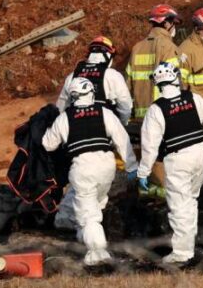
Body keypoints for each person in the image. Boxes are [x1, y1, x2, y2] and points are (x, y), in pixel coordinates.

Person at [136, 61, 203, 265]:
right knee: (191, 199)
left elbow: (150, 146)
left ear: (157, 84)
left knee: (180, 205)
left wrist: (143, 172)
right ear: (176, 79)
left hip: (178, 158)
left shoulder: (156, 109)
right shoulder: (193, 98)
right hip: (201, 153)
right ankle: (190, 241)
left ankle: (182, 252)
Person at [42, 78, 137, 266]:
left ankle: (98, 253)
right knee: (94, 203)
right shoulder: (104, 112)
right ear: (91, 93)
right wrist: (132, 167)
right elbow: (121, 139)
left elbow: (48, 144)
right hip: (106, 168)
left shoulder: (65, 118)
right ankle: (81, 235)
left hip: (83, 169)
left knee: (88, 215)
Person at [127, 4, 184, 123]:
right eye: (174, 23)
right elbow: (177, 82)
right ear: (167, 24)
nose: (174, 28)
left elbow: (128, 84)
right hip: (164, 114)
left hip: (140, 116)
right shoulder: (169, 47)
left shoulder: (136, 48)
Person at [57, 36, 133, 124]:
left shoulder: (72, 76)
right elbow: (125, 107)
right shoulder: (113, 76)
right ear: (109, 56)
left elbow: (61, 108)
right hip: (104, 131)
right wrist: (122, 124)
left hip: (77, 130)